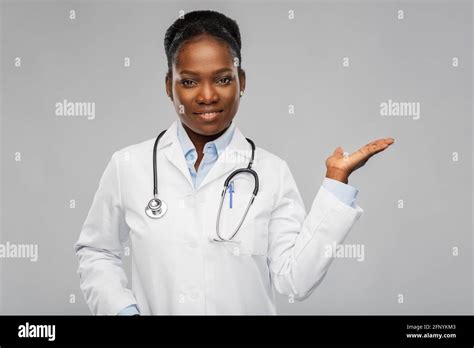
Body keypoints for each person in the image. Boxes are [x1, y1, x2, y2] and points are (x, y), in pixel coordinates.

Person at [74, 10, 394, 315]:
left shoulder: (272, 172)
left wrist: (336, 184)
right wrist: (122, 311)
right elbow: (97, 252)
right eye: (188, 81)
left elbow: (295, 280)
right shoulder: (128, 165)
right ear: (168, 86)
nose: (207, 95)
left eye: (223, 80)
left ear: (241, 81)